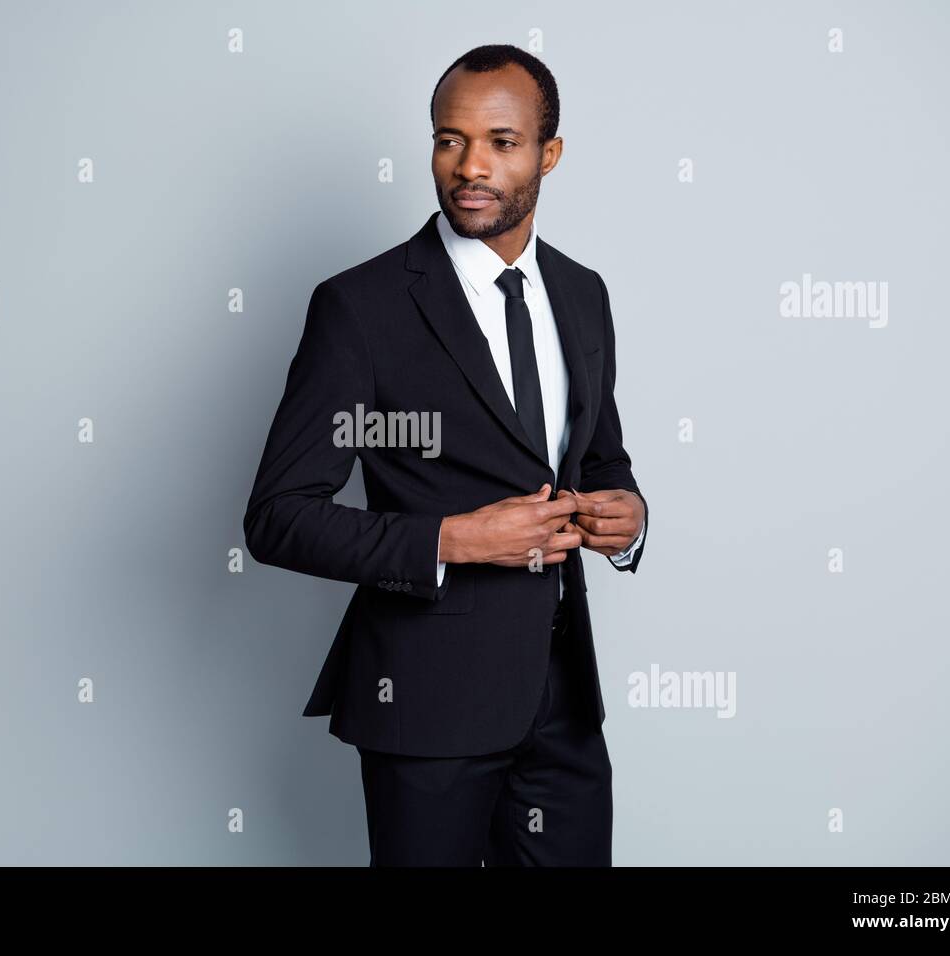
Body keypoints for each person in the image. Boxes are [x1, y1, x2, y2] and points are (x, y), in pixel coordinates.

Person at [243, 44, 647, 866]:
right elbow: (278, 518)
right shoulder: (361, 307)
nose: (470, 166)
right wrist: (452, 541)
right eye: (448, 139)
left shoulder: (583, 292)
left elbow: (599, 456)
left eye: (501, 142)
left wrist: (629, 517)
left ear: (548, 154)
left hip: (564, 702)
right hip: (424, 704)